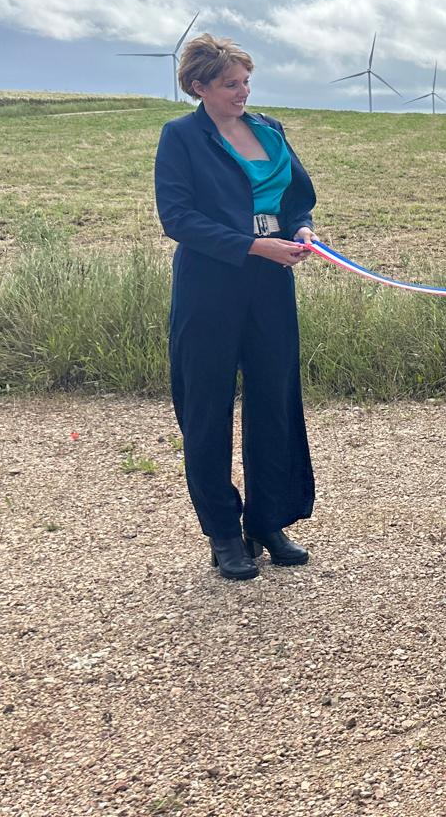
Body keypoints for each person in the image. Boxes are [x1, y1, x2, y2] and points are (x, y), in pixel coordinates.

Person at [154, 33, 318, 581]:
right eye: (230, 84)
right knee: (207, 407)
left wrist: (301, 227)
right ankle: (224, 532)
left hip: (272, 281)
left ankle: (269, 522)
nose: (242, 91)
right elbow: (177, 217)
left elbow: (298, 194)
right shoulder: (180, 137)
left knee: (274, 398)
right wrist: (252, 245)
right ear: (198, 87)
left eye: (246, 81)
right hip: (210, 283)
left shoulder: (270, 129)